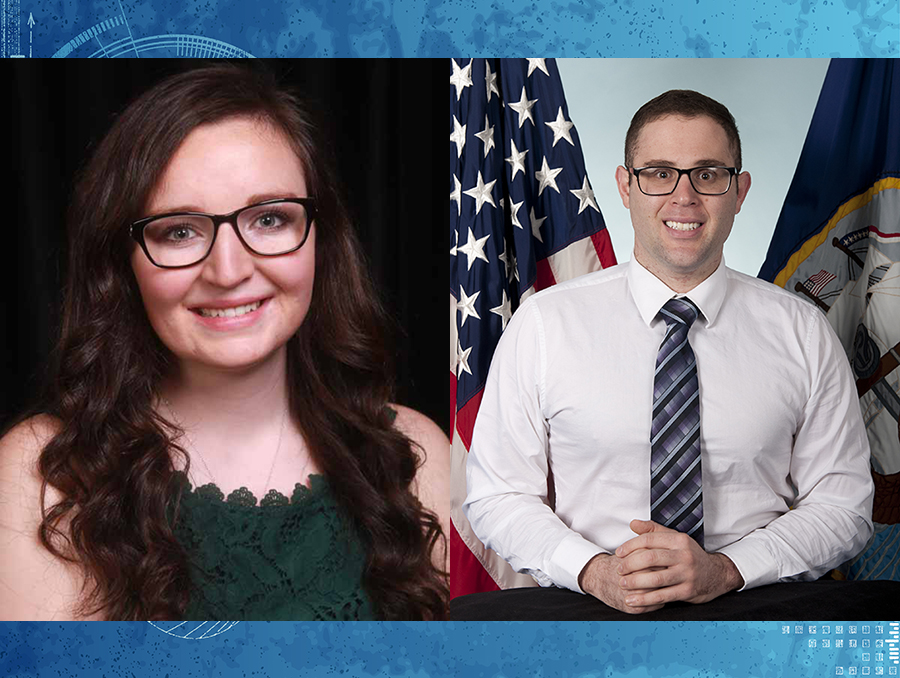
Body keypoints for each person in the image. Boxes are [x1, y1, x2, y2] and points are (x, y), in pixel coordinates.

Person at [0, 64, 449, 621]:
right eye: (179, 230)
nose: (229, 270)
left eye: (268, 218)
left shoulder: (413, 452)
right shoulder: (41, 476)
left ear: (321, 241)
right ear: (122, 262)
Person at [463, 89, 874, 614]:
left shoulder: (803, 332)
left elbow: (843, 507)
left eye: (708, 174)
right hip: (591, 603)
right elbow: (498, 495)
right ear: (625, 187)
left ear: (740, 190)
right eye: (659, 173)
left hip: (754, 601)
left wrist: (727, 570)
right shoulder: (544, 325)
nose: (684, 197)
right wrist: (593, 572)